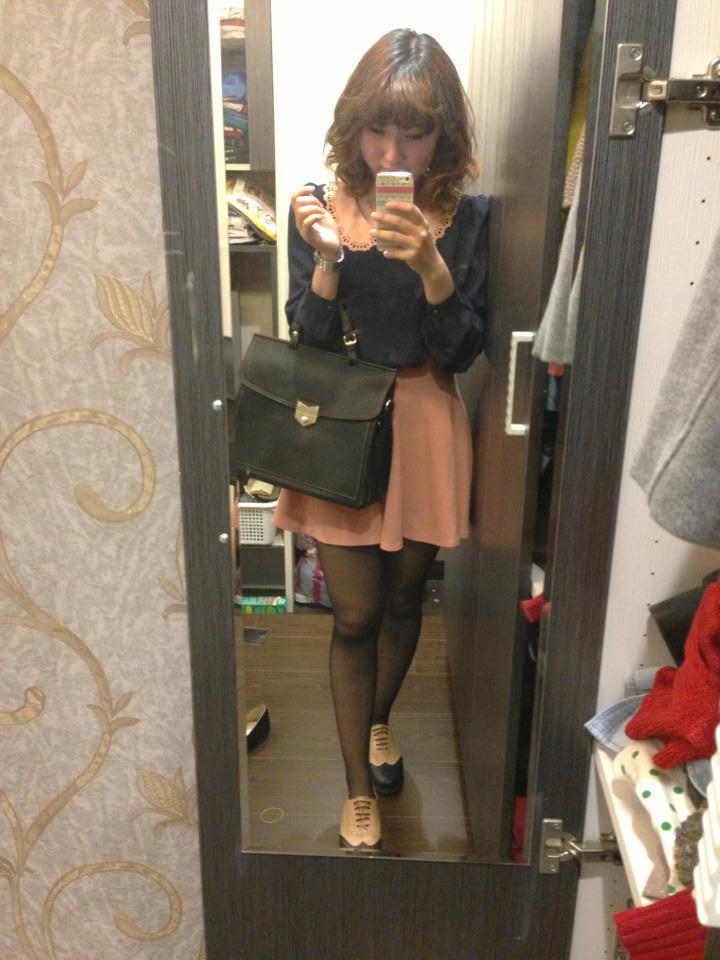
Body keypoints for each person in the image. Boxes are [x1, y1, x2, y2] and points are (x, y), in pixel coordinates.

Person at [273, 28, 489, 852]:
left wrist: (432, 267)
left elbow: (459, 351)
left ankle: (378, 721)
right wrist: (328, 257)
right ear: (353, 122)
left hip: (426, 421)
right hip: (342, 422)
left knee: (404, 600)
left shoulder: (466, 220)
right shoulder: (315, 206)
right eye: (377, 128)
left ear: (444, 136)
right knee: (355, 614)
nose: (391, 152)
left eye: (415, 132)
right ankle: (357, 789)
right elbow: (308, 336)